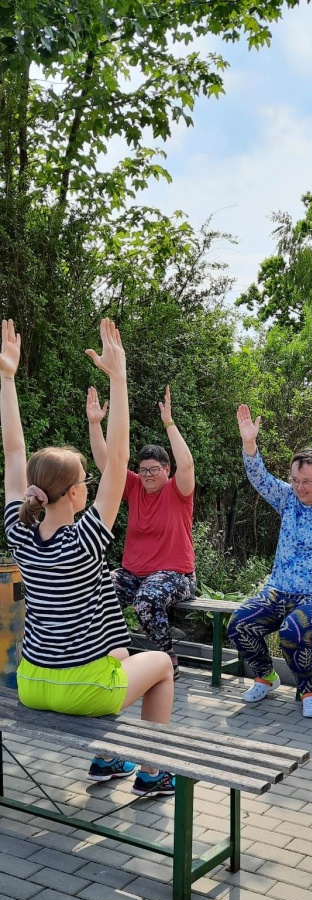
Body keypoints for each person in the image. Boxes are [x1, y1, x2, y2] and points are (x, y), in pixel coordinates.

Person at [0, 316, 175, 796]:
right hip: (82, 690)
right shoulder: (85, 540)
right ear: (76, 493)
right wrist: (119, 377)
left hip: (33, 683)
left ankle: (108, 761)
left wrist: (7, 378)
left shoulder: (19, 532)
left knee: (119, 651)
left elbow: (13, 452)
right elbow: (118, 459)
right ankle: (154, 772)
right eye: (86, 482)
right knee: (161, 663)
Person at [228, 402, 312, 718]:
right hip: (280, 590)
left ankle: (309, 690)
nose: (299, 487)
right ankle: (265, 676)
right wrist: (249, 443)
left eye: (307, 481)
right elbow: (259, 477)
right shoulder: (287, 498)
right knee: (239, 624)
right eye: (295, 480)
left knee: (293, 631)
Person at [87, 383, 196, 681]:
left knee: (147, 600)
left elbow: (187, 464)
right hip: (133, 574)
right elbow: (107, 465)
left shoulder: (178, 491)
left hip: (176, 575)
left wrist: (169, 424)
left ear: (166, 470)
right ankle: (103, 656)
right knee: (95, 590)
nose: (148, 475)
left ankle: (167, 660)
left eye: (154, 470)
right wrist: (95, 424)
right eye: (143, 470)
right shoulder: (134, 486)